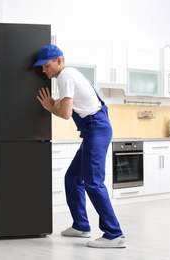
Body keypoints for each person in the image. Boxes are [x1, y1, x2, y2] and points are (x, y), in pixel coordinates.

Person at [34, 44, 126, 248]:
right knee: (73, 178)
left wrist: (49, 107)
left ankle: (114, 234)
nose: (43, 70)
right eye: (41, 67)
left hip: (96, 129)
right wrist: (53, 103)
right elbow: (70, 104)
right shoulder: (71, 73)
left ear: (59, 61)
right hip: (95, 128)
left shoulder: (65, 77)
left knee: (93, 181)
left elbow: (65, 113)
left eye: (46, 66)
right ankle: (81, 225)